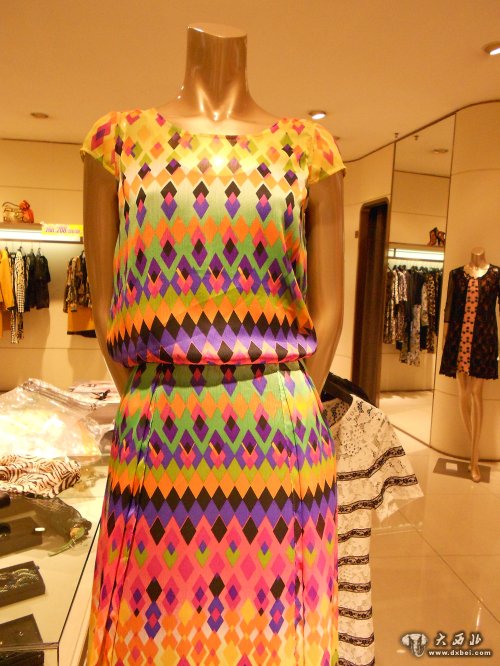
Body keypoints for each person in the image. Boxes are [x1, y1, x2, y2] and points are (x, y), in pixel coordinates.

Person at [82, 22, 345, 665]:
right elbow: (106, 306)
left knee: (272, 633)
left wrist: (288, 402)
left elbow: (331, 310)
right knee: (150, 629)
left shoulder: (309, 149)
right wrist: (152, 395)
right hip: (159, 432)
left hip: (279, 439)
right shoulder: (117, 142)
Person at [440, 247, 499, 482]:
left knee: (476, 393)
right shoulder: (456, 275)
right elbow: (449, 307)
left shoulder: (496, 275)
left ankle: (474, 459)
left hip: (484, 340)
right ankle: (473, 449)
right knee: (463, 394)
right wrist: (445, 339)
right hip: (459, 338)